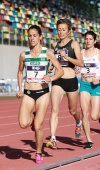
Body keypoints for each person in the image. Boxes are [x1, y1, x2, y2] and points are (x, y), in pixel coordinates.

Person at [16, 25, 64, 163]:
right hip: (29, 92)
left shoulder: (47, 53)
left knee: (38, 126)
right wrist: (20, 88)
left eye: (34, 35)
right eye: (30, 36)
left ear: (40, 37)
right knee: (23, 123)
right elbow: (20, 72)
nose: (32, 38)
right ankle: (34, 115)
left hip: (43, 93)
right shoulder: (23, 55)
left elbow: (60, 71)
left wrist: (51, 78)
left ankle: (38, 153)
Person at [46, 18, 84, 149]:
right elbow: (55, 60)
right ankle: (53, 138)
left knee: (72, 110)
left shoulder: (74, 44)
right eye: (59, 29)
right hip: (58, 80)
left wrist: (67, 57)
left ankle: (78, 122)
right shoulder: (55, 45)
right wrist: (51, 66)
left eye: (63, 30)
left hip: (71, 80)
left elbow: (81, 63)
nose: (61, 32)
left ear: (69, 31)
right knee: (54, 109)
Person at [79, 31, 100, 149]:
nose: (88, 41)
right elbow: (76, 64)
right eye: (86, 39)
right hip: (84, 85)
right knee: (84, 113)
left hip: (96, 86)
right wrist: (77, 68)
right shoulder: (81, 53)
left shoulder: (99, 54)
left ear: (94, 41)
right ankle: (88, 140)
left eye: (90, 39)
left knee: (94, 116)